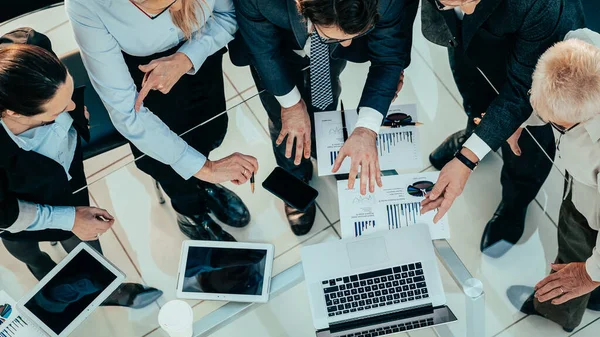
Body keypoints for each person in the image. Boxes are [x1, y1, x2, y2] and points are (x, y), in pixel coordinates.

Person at [65, 0, 259, 241]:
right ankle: (189, 211)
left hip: (202, 53)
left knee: (209, 131)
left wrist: (187, 58)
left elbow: (228, 15)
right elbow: (127, 112)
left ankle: (204, 188)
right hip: (142, 82)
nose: (177, 11)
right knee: (164, 165)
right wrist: (207, 170)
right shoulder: (87, 4)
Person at [0, 28, 162, 309]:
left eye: (71, 95)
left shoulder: (32, 47)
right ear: (14, 112)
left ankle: (101, 287)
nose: (74, 106)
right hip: (15, 202)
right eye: (57, 109)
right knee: (23, 244)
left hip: (66, 175)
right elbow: (6, 215)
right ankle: (43, 270)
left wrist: (69, 112)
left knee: (84, 237)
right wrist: (68, 219)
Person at [230, 0, 418, 235]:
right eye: (336, 37)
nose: (349, 44)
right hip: (276, 44)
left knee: (327, 101)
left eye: (355, 34)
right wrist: (291, 104)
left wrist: (366, 129)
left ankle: (327, 151)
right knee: (282, 119)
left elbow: (388, 58)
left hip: (326, 53)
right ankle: (294, 177)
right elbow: (263, 50)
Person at [419, 0, 585, 257]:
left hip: (532, 55)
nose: (470, 9)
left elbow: (523, 89)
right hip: (470, 39)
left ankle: (515, 202)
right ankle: (475, 134)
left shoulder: (542, 6)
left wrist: (466, 160)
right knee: (473, 93)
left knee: (526, 144)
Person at [506, 29, 600, 332]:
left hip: (590, 206)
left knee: (574, 253)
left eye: (557, 124)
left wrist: (589, 274)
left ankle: (556, 312)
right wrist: (520, 118)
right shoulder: (583, 44)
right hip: (585, 178)